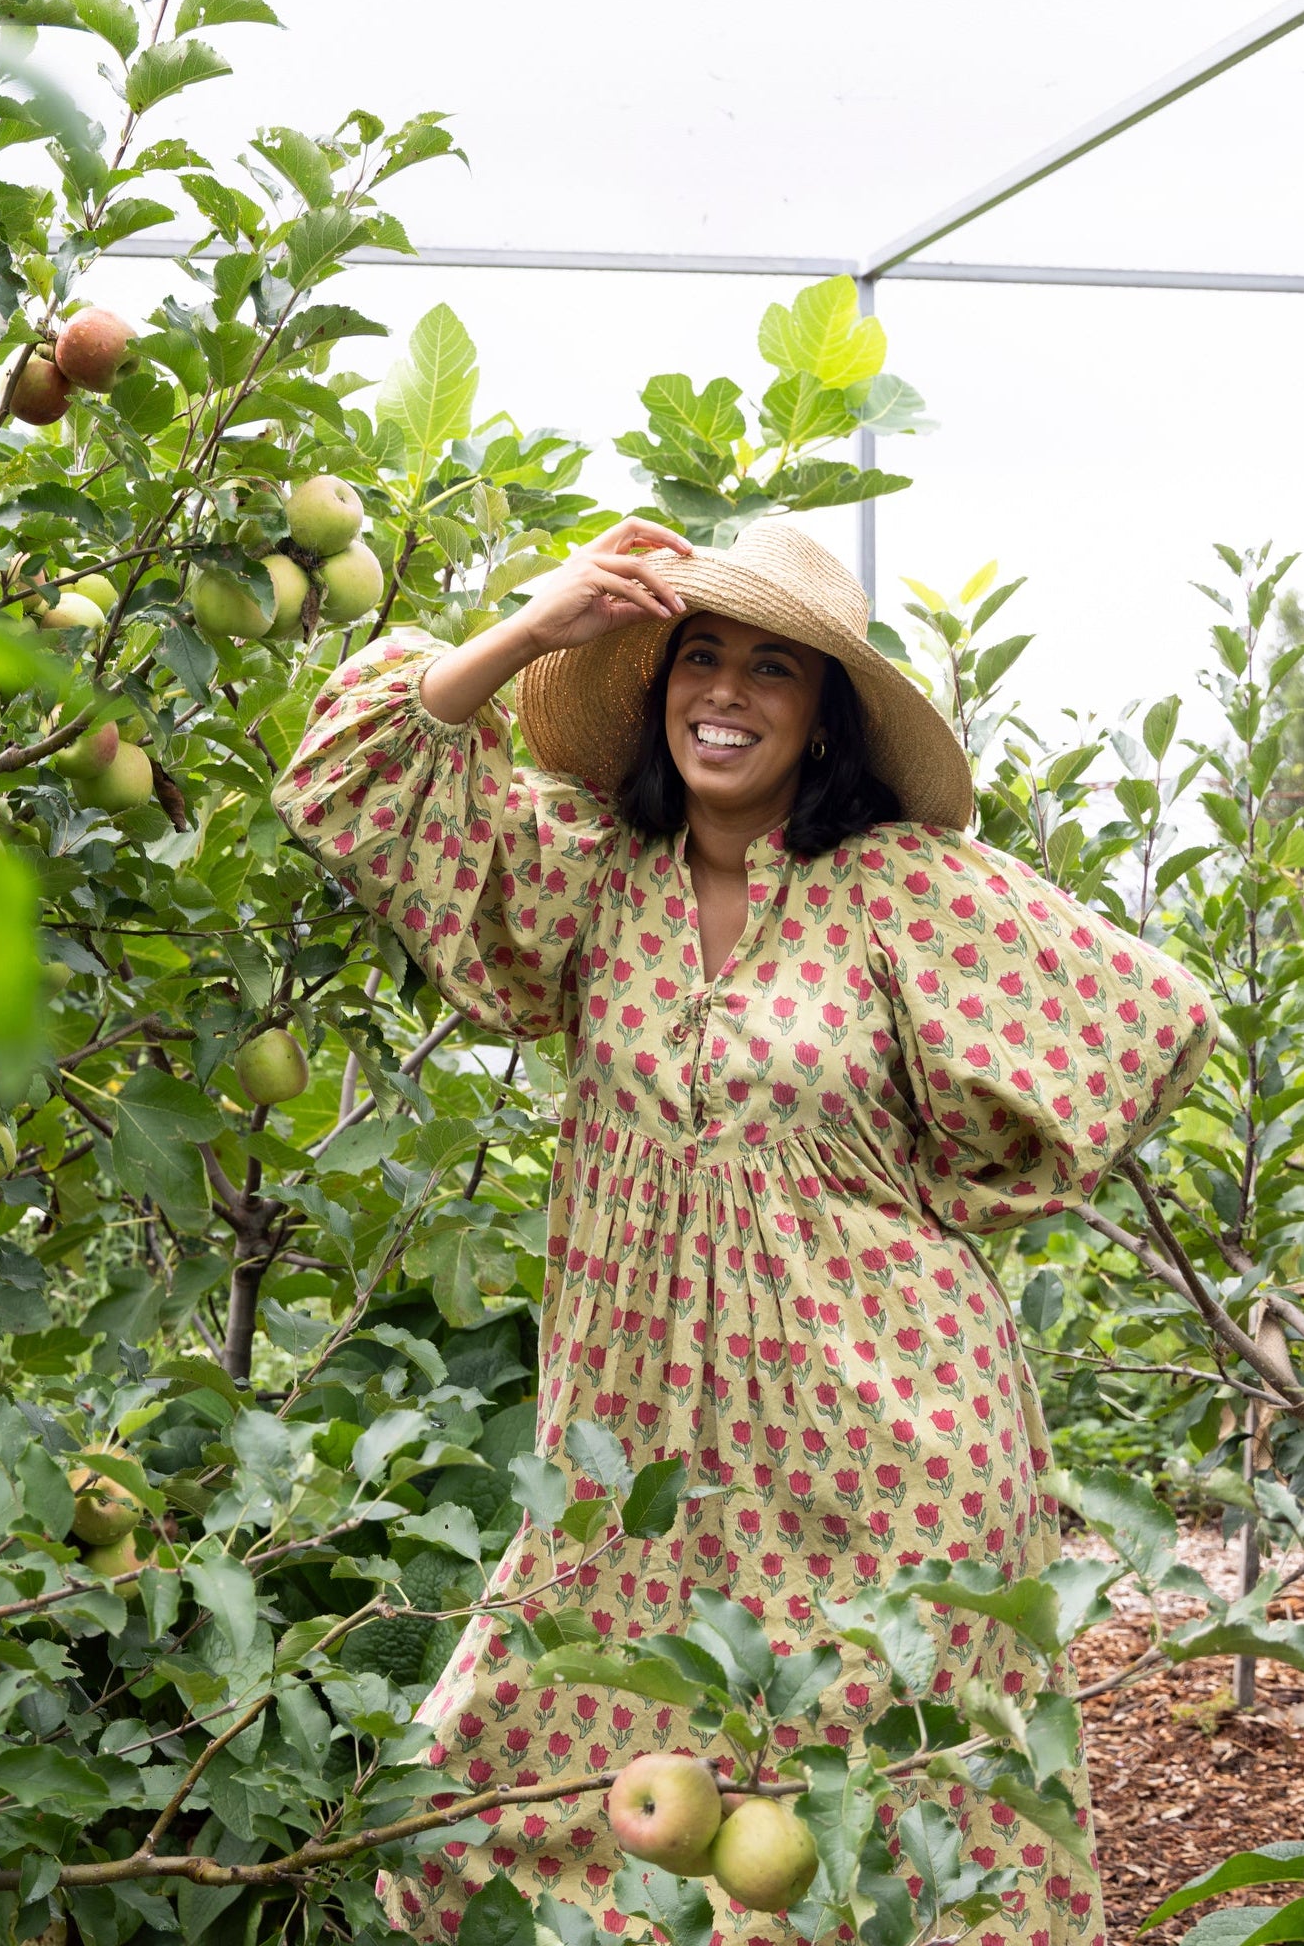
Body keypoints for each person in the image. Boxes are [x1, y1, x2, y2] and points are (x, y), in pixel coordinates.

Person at [272, 515, 1217, 1945]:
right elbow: (356, 772)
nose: (725, 692)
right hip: (635, 1448)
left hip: (882, 1438)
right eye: (698, 657)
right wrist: (536, 622)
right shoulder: (593, 872)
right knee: (499, 1769)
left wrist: (937, 1194)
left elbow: (1144, 1023)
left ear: (823, 718)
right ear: (659, 689)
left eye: (771, 668)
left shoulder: (903, 889)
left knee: (888, 1803)